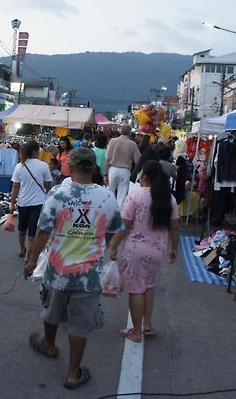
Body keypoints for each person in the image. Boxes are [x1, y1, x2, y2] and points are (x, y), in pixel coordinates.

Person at [24, 148, 123, 390]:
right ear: (92, 168)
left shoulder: (58, 193)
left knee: (52, 308)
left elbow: (42, 231)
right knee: (80, 324)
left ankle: (49, 345)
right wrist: (101, 244)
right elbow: (113, 229)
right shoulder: (107, 197)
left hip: (58, 270)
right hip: (88, 275)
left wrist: (30, 260)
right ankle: (72, 373)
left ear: (70, 166)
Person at [109, 160, 179, 343]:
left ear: (145, 177)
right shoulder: (169, 198)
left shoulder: (136, 196)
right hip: (157, 252)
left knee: (135, 290)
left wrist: (114, 245)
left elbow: (124, 226)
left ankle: (136, 332)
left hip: (135, 251)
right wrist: (174, 248)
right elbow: (174, 228)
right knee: (148, 286)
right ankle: (147, 324)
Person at [10, 140, 52, 258]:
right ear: (35, 151)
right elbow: (48, 186)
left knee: (22, 227)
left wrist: (12, 203)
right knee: (33, 229)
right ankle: (29, 255)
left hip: (23, 201)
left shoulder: (19, 166)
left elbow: (15, 186)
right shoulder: (43, 166)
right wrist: (50, 200)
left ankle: (22, 249)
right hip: (38, 202)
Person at [105, 124, 141, 207]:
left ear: (120, 131)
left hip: (112, 169)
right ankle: (119, 215)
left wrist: (105, 174)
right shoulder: (132, 144)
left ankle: (109, 211)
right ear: (129, 133)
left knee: (110, 193)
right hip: (125, 171)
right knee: (122, 196)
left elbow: (107, 159)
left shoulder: (113, 141)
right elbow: (138, 161)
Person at [173, 139, 188, 205]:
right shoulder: (185, 157)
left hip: (178, 180)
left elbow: (176, 170)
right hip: (182, 180)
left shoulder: (180, 158)